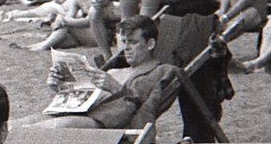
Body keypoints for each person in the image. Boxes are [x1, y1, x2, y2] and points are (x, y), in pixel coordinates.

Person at [16, 15, 178, 131]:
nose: (126, 48)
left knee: (47, 129)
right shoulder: (115, 69)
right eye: (124, 42)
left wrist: (115, 88)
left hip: (105, 122)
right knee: (19, 124)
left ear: (150, 44)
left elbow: (142, 112)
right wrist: (59, 85)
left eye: (133, 42)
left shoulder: (158, 71)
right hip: (82, 113)